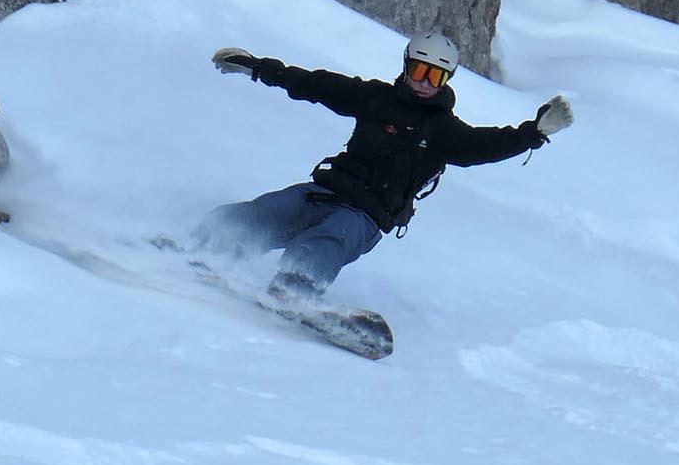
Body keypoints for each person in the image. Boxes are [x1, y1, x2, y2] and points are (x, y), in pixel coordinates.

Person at [189, 30, 574, 305]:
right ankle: (201, 249)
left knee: (325, 241)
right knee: (263, 212)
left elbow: (487, 145)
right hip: (325, 191)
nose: (424, 83)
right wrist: (259, 68)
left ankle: (294, 289)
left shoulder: (444, 131)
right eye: (420, 71)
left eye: (435, 76)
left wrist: (533, 133)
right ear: (406, 67)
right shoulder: (375, 99)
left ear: (446, 81)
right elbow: (317, 85)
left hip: (367, 215)